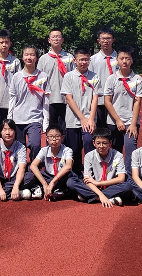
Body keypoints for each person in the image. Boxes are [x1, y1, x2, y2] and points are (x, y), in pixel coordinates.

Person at [66, 126, 130, 207]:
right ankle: (106, 198)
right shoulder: (89, 156)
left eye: (105, 143)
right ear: (94, 143)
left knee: (128, 186)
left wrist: (98, 183)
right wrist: (101, 195)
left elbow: (121, 178)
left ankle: (89, 196)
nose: (101, 146)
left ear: (110, 143)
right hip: (93, 186)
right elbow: (87, 180)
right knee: (71, 182)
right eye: (98, 143)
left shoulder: (118, 155)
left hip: (111, 186)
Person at [7, 45, 50, 163]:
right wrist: (10, 119)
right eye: (26, 55)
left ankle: (34, 168)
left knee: (35, 144)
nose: (29, 57)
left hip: (35, 118)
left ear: (37, 58)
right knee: (19, 147)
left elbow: (46, 101)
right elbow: (12, 99)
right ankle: (21, 168)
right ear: (22, 57)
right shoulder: (17, 77)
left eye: (32, 55)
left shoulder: (43, 76)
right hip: (18, 118)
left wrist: (45, 121)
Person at [103, 46, 142, 173]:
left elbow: (137, 102)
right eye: (121, 58)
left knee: (131, 149)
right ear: (117, 60)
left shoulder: (137, 79)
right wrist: (118, 120)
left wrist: (133, 123)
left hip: (131, 122)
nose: (124, 61)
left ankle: (130, 177)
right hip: (114, 121)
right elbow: (107, 101)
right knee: (115, 150)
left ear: (132, 60)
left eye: (127, 58)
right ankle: (115, 175)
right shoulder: (111, 79)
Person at [62, 47, 100, 175]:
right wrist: (82, 118)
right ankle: (76, 174)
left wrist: (91, 119)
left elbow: (95, 98)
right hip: (73, 119)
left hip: (89, 119)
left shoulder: (94, 77)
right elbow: (69, 98)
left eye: (86, 59)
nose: (84, 62)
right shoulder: (68, 76)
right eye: (81, 59)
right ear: (75, 60)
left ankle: (90, 172)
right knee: (74, 148)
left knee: (89, 143)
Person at [0, 118, 36, 201]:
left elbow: (22, 168)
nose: (8, 133)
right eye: (4, 129)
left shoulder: (21, 147)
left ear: (15, 132)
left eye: (11, 129)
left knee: (30, 177)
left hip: (14, 178)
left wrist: (16, 186)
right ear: (0, 132)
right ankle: (17, 193)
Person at [38, 28, 75, 131]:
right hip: (49, 99)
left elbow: (74, 77)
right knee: (50, 129)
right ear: (49, 40)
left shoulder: (69, 57)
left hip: (66, 99)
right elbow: (39, 80)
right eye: (53, 37)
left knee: (65, 129)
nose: (56, 39)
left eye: (58, 37)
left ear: (62, 40)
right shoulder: (43, 59)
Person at [29, 124, 75, 201]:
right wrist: (44, 184)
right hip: (48, 178)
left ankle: (62, 190)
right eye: (51, 137)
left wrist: (52, 182)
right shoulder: (44, 150)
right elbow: (33, 165)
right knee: (31, 171)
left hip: (61, 177)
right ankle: (54, 190)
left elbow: (68, 166)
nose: (54, 139)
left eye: (57, 136)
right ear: (47, 138)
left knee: (71, 180)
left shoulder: (67, 150)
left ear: (62, 138)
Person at [0, 29, 21, 136]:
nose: (4, 45)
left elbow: (19, 82)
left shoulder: (15, 62)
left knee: (9, 134)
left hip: (10, 104)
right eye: (1, 42)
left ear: (10, 43)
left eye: (6, 42)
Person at [90, 27, 118, 128]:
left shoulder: (120, 58)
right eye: (103, 38)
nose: (106, 41)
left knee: (115, 129)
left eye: (108, 38)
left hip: (116, 100)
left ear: (113, 40)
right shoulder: (92, 60)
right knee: (100, 130)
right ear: (99, 41)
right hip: (100, 101)